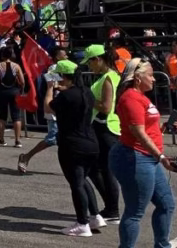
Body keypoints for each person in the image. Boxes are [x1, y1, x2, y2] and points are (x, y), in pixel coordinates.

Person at [110, 59, 177, 248]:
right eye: (150, 75)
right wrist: (161, 157)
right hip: (134, 157)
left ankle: (162, 245)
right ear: (138, 78)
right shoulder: (130, 98)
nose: (154, 79)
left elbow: (147, 128)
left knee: (166, 204)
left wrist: (165, 127)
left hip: (147, 157)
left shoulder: (140, 96)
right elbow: (138, 133)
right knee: (135, 212)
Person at [48, 60, 103, 237]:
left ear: (63, 76)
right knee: (82, 180)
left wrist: (49, 89)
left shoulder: (66, 96)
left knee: (77, 183)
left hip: (72, 144)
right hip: (91, 142)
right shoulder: (86, 92)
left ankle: (82, 223)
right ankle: (95, 216)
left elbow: (48, 107)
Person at [81, 44, 122, 222]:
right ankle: (110, 207)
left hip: (106, 127)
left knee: (105, 170)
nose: (89, 66)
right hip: (102, 126)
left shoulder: (108, 78)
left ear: (98, 59)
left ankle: (112, 209)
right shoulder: (109, 76)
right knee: (97, 169)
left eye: (90, 62)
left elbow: (106, 107)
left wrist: (88, 98)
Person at [18, 46, 69, 174]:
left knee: (66, 138)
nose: (66, 57)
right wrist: (65, 86)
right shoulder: (53, 69)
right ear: (57, 57)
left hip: (66, 107)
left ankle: (72, 166)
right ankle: (26, 157)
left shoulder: (68, 68)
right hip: (54, 107)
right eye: (64, 55)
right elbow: (54, 86)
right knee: (52, 138)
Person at [0, 45, 24, 147]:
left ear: (2, 55)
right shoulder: (16, 66)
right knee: (16, 116)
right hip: (14, 92)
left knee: (2, 116)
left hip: (2, 93)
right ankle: (17, 141)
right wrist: (21, 90)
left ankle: (1, 140)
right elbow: (22, 81)